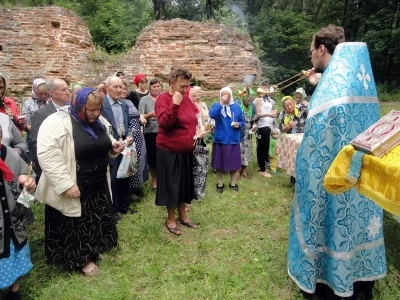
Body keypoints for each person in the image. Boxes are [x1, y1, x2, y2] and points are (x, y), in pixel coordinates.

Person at [287, 25, 386, 299]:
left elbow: (317, 140)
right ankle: (361, 280)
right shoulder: (355, 78)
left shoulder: (331, 87)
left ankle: (327, 281)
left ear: (322, 49)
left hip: (334, 176)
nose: (310, 59)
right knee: (355, 222)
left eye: (311, 52)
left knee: (329, 219)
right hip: (361, 173)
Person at [35, 88, 123, 276]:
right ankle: (81, 259)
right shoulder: (56, 123)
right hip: (75, 184)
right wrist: (65, 184)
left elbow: (105, 140)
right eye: (90, 110)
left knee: (98, 218)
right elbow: (48, 155)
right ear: (78, 105)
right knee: (76, 224)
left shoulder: (98, 120)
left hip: (98, 183)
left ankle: (97, 248)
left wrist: (113, 147)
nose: (96, 114)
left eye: (98, 109)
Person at [155, 67, 200, 236]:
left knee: (184, 183)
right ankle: (170, 218)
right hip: (169, 150)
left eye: (187, 86)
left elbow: (190, 120)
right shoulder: (163, 99)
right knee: (172, 184)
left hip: (186, 149)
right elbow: (165, 123)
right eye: (182, 86)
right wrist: (175, 103)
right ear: (171, 83)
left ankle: (183, 215)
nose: (185, 89)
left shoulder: (187, 99)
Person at [0, 124, 36, 300]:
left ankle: (14, 291)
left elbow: (27, 174)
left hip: (13, 220)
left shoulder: (9, 154)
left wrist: (27, 180)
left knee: (13, 252)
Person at [101, 76, 134, 222]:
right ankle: (113, 210)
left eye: (121, 87)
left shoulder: (124, 105)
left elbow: (127, 124)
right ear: (107, 87)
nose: (119, 90)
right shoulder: (102, 104)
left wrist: (129, 136)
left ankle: (124, 205)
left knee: (125, 175)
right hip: (111, 147)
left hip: (125, 146)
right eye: (116, 87)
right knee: (113, 179)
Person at [30, 78, 70, 183]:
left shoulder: (72, 111)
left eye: (67, 89)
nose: (67, 92)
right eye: (63, 90)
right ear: (52, 93)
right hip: (52, 166)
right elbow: (36, 143)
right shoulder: (40, 114)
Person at [209, 86, 245, 192]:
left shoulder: (236, 107)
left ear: (231, 96)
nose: (226, 99)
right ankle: (220, 183)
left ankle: (233, 183)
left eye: (228, 96)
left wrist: (238, 124)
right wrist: (221, 103)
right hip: (220, 139)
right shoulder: (217, 106)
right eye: (224, 96)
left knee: (234, 163)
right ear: (220, 96)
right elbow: (211, 115)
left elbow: (242, 121)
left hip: (233, 139)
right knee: (219, 163)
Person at [120, 80, 148, 196]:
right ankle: (127, 189)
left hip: (137, 134)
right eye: (120, 88)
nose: (123, 91)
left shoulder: (129, 102)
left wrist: (141, 120)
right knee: (127, 161)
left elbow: (136, 116)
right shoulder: (118, 104)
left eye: (125, 88)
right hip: (128, 136)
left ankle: (134, 186)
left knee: (136, 160)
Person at [138, 78, 163, 191]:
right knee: (153, 158)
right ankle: (154, 181)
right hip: (151, 132)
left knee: (164, 157)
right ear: (150, 88)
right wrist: (151, 115)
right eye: (154, 87)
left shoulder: (164, 98)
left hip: (164, 131)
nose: (156, 88)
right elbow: (140, 117)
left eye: (158, 86)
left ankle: (164, 180)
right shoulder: (144, 100)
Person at [22, 78, 49, 160]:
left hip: (50, 137)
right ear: (35, 91)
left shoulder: (51, 102)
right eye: (40, 94)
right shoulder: (28, 104)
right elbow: (26, 125)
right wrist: (39, 130)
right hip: (35, 138)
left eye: (45, 93)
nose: (43, 96)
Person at [254, 86, 277, 178]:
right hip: (262, 125)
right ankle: (262, 170)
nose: (267, 90)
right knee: (263, 148)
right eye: (265, 88)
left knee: (262, 147)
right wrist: (269, 114)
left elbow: (266, 110)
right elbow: (257, 113)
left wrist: (273, 112)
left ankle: (260, 166)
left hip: (268, 124)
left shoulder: (267, 99)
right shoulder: (259, 99)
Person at [236, 89, 257, 179]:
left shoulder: (252, 106)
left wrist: (255, 125)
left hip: (248, 132)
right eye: (248, 100)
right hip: (239, 132)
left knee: (247, 151)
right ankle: (236, 170)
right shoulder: (237, 104)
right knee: (238, 150)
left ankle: (244, 170)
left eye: (251, 100)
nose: (249, 102)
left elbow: (254, 119)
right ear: (243, 98)